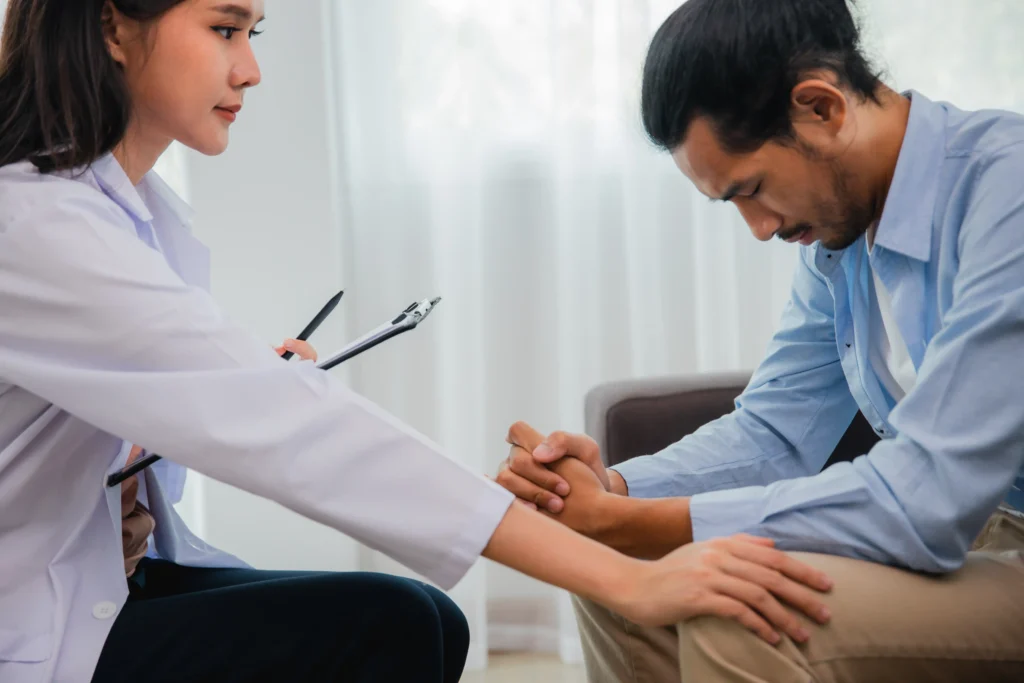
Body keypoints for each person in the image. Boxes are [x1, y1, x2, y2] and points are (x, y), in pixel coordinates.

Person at [0, 1, 844, 682]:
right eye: (225, 29)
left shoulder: (133, 215)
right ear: (114, 25)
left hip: (88, 578)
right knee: (397, 630)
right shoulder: (37, 224)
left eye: (252, 34)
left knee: (421, 621)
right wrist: (630, 575)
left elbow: (162, 421)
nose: (250, 68)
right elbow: (298, 435)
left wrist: (143, 456)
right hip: (31, 608)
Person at [496, 0, 1024, 681]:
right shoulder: (841, 235)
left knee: (741, 614)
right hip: (981, 528)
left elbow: (921, 501)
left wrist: (633, 522)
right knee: (620, 579)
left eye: (753, 189)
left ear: (821, 108)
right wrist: (610, 490)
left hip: (977, 523)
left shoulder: (1006, 193)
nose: (758, 228)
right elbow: (776, 433)